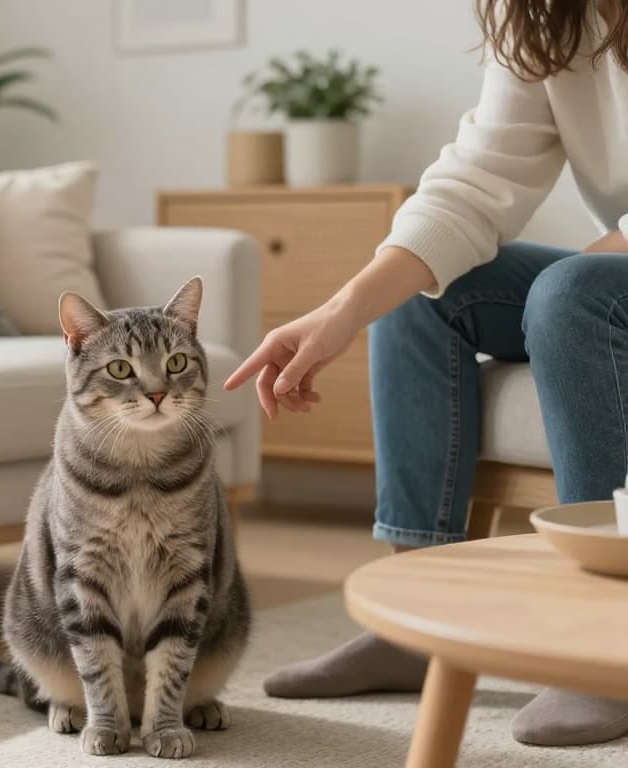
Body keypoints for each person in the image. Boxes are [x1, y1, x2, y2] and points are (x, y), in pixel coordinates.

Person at [224, 0, 628, 748]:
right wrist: (344, 308)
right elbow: (479, 178)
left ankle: (607, 637)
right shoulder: (546, 13)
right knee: (424, 290)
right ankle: (423, 617)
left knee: (570, 297)